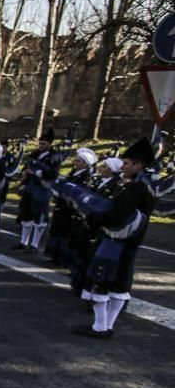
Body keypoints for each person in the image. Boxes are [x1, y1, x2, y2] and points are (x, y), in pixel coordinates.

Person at [72, 139, 156, 339]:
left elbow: (117, 215)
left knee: (104, 282)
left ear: (138, 165)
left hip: (116, 242)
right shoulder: (137, 185)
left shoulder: (136, 187)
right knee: (118, 285)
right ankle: (105, 325)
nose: (123, 166)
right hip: (126, 243)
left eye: (126, 163)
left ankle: (101, 326)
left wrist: (94, 218)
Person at [68, 156, 121, 295]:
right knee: (81, 252)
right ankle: (77, 282)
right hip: (87, 221)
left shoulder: (115, 185)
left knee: (90, 256)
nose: (101, 169)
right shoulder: (97, 181)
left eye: (105, 167)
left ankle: (85, 285)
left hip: (97, 225)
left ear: (112, 170)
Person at [44, 147, 96, 265]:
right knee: (58, 229)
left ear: (85, 164)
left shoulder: (86, 176)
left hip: (71, 207)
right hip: (63, 204)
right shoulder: (73, 173)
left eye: (78, 161)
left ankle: (62, 257)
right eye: (75, 160)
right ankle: (54, 254)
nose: (74, 162)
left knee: (66, 231)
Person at [14, 129, 60, 251]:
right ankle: (23, 242)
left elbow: (53, 173)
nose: (41, 146)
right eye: (40, 143)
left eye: (43, 144)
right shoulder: (34, 154)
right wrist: (24, 174)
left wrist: (37, 173)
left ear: (50, 144)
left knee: (39, 217)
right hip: (30, 187)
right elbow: (26, 166)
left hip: (42, 189)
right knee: (26, 215)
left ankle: (34, 245)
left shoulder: (54, 156)